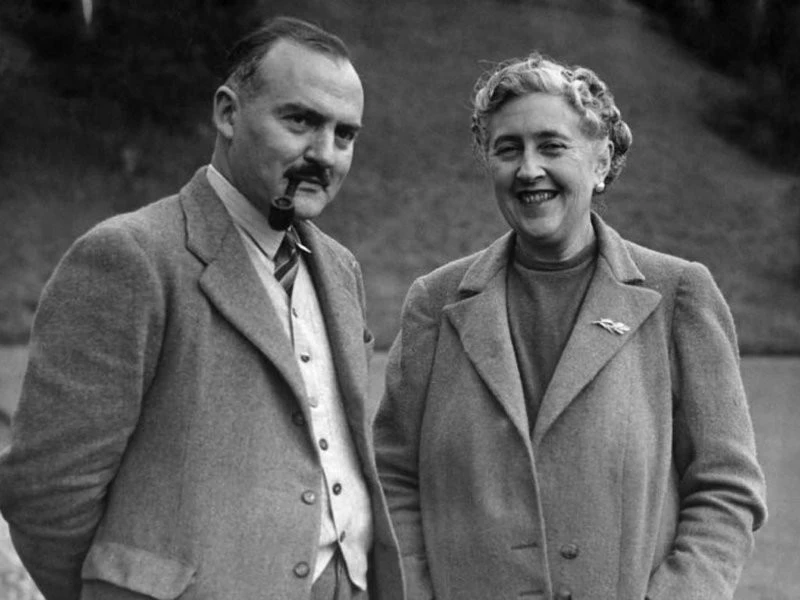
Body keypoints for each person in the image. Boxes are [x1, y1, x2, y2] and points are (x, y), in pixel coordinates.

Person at [0, 16, 404, 600]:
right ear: (228, 113)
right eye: (300, 120)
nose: (325, 154)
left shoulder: (341, 269)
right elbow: (46, 490)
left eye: (345, 135)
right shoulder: (130, 257)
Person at [375, 52, 767, 600]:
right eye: (507, 149)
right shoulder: (434, 303)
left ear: (601, 161)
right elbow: (393, 479)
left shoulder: (678, 295)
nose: (528, 169)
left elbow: (726, 490)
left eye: (552, 146)